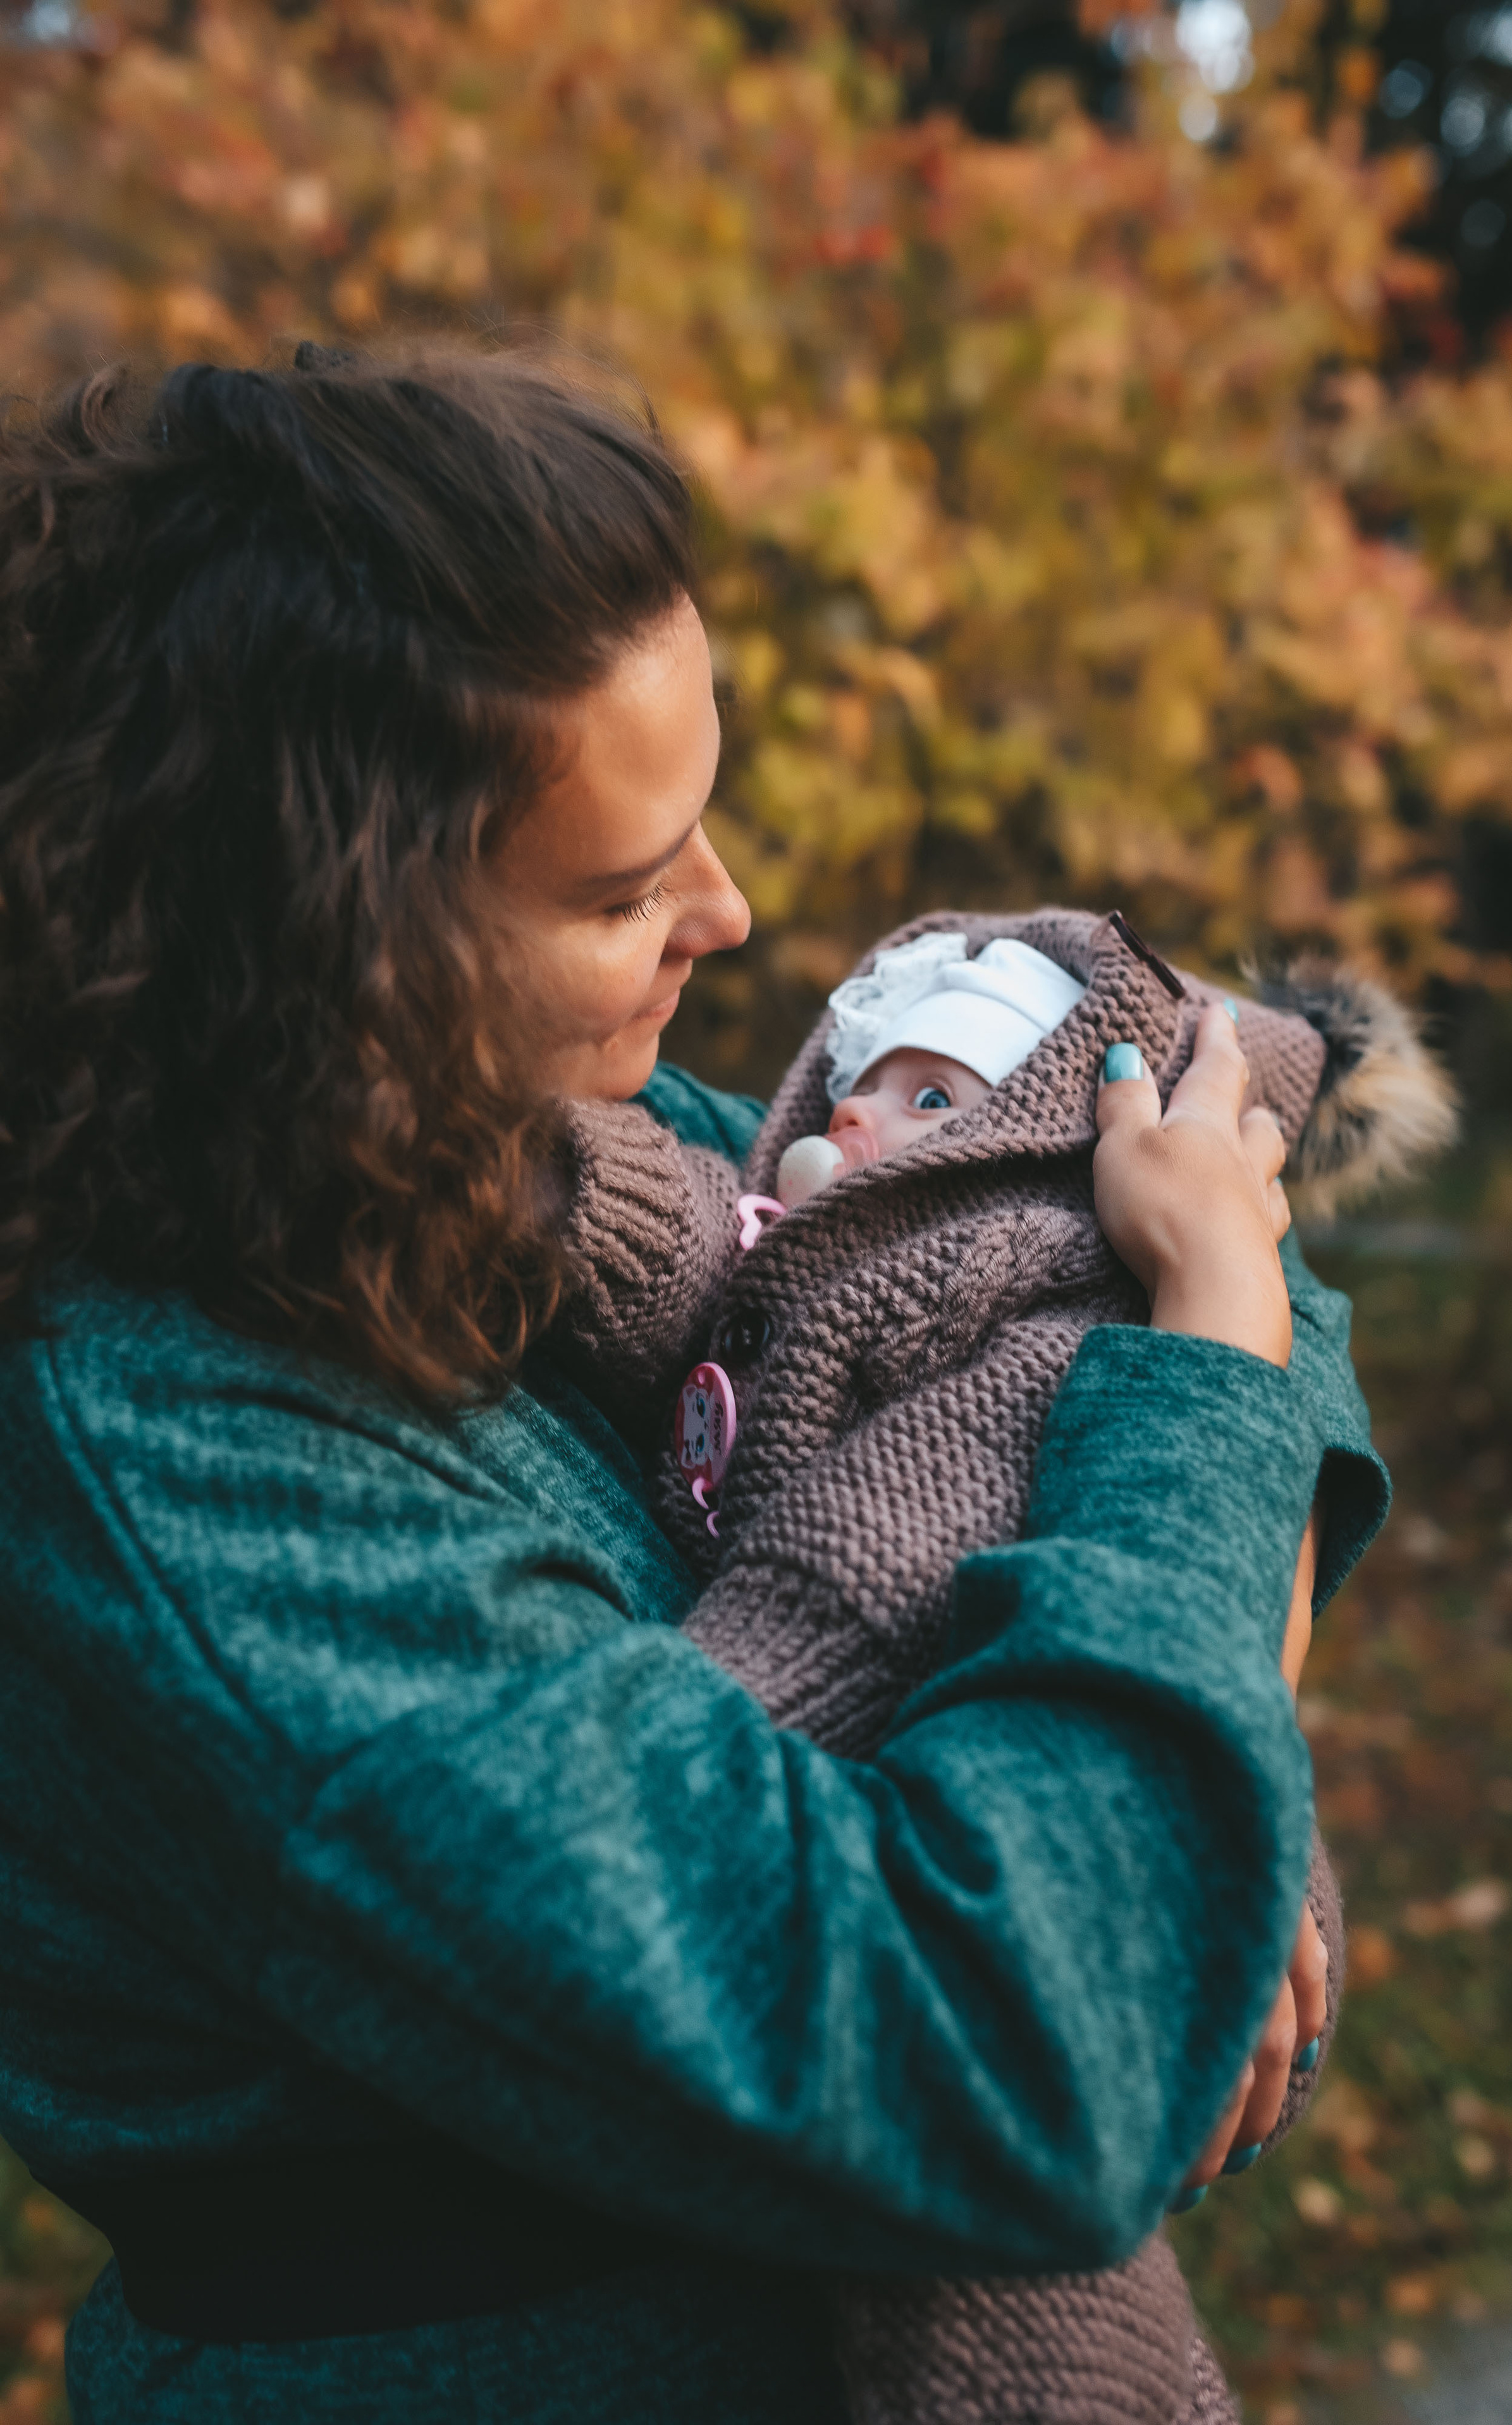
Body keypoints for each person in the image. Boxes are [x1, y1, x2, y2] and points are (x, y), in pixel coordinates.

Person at [0, 346, 1390, 2425]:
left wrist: (1200, 1765)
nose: (727, 914)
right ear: (322, 939)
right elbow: (1019, 2053)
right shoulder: (198, 1476)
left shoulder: (526, 1149)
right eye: (614, 884)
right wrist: (1186, 1528)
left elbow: (1174, 1240)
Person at [549, 911, 1454, 2425]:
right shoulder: (799, 1224)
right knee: (1004, 2191)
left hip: (939, 1724)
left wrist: (1223, 1283)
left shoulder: (1023, 1295)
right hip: (946, 1848)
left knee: (1008, 2292)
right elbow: (671, 1214)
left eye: (932, 1102)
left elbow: (875, 1568)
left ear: (1048, 1147)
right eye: (866, 1081)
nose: (856, 1117)